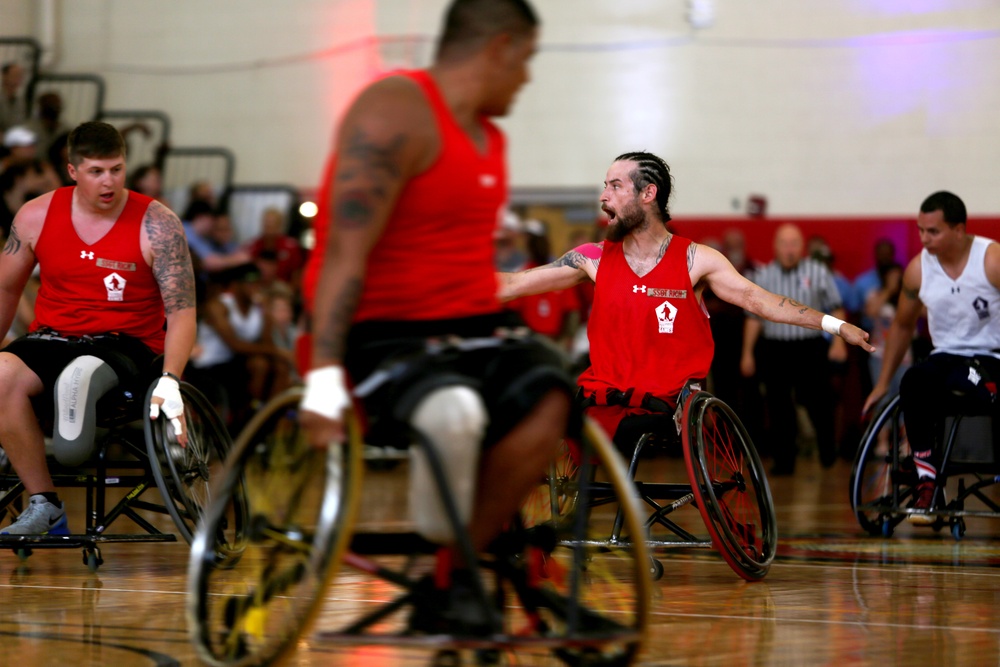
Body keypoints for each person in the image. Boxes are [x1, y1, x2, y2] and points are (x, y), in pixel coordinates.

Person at [299, 0, 570, 634]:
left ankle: (457, 571)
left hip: (467, 328)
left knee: (552, 389)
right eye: (525, 61)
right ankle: (454, 572)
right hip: (383, 331)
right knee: (455, 411)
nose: (526, 79)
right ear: (498, 48)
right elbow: (343, 250)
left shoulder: (490, 137)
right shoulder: (394, 111)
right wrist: (322, 377)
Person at [497, 152, 873, 463]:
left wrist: (836, 326)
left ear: (648, 193)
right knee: (538, 419)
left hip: (668, 399)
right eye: (605, 185)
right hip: (605, 393)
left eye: (615, 186)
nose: (604, 196)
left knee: (605, 430)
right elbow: (514, 283)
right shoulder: (591, 259)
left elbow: (762, 302)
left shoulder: (696, 259)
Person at [0, 121, 196, 535]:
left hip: (127, 345)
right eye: (96, 172)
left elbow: (182, 311)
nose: (109, 182)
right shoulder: (36, 215)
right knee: (0, 375)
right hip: (52, 337)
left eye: (117, 169)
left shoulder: (157, 223)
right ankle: (44, 503)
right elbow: (5, 289)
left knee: (77, 392)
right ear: (73, 171)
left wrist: (172, 379)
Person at [863, 191, 1000, 523]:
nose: (924, 238)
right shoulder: (917, 269)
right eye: (921, 230)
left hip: (990, 355)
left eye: (933, 231)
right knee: (914, 380)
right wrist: (882, 384)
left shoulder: (991, 260)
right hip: (945, 357)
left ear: (958, 229)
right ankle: (927, 479)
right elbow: (901, 326)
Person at [740, 223, 851, 474]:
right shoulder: (763, 275)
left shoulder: (818, 272)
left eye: (794, 244)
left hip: (809, 347)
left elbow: (835, 307)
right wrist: (747, 353)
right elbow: (753, 319)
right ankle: (784, 461)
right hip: (775, 349)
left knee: (819, 402)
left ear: (801, 247)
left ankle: (827, 452)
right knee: (779, 406)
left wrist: (838, 341)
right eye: (784, 244)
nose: (789, 249)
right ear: (775, 247)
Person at [0, 62, 27, 136]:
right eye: (15, 75)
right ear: (4, 76)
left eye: (20, 76)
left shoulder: (20, 101)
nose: (18, 79)